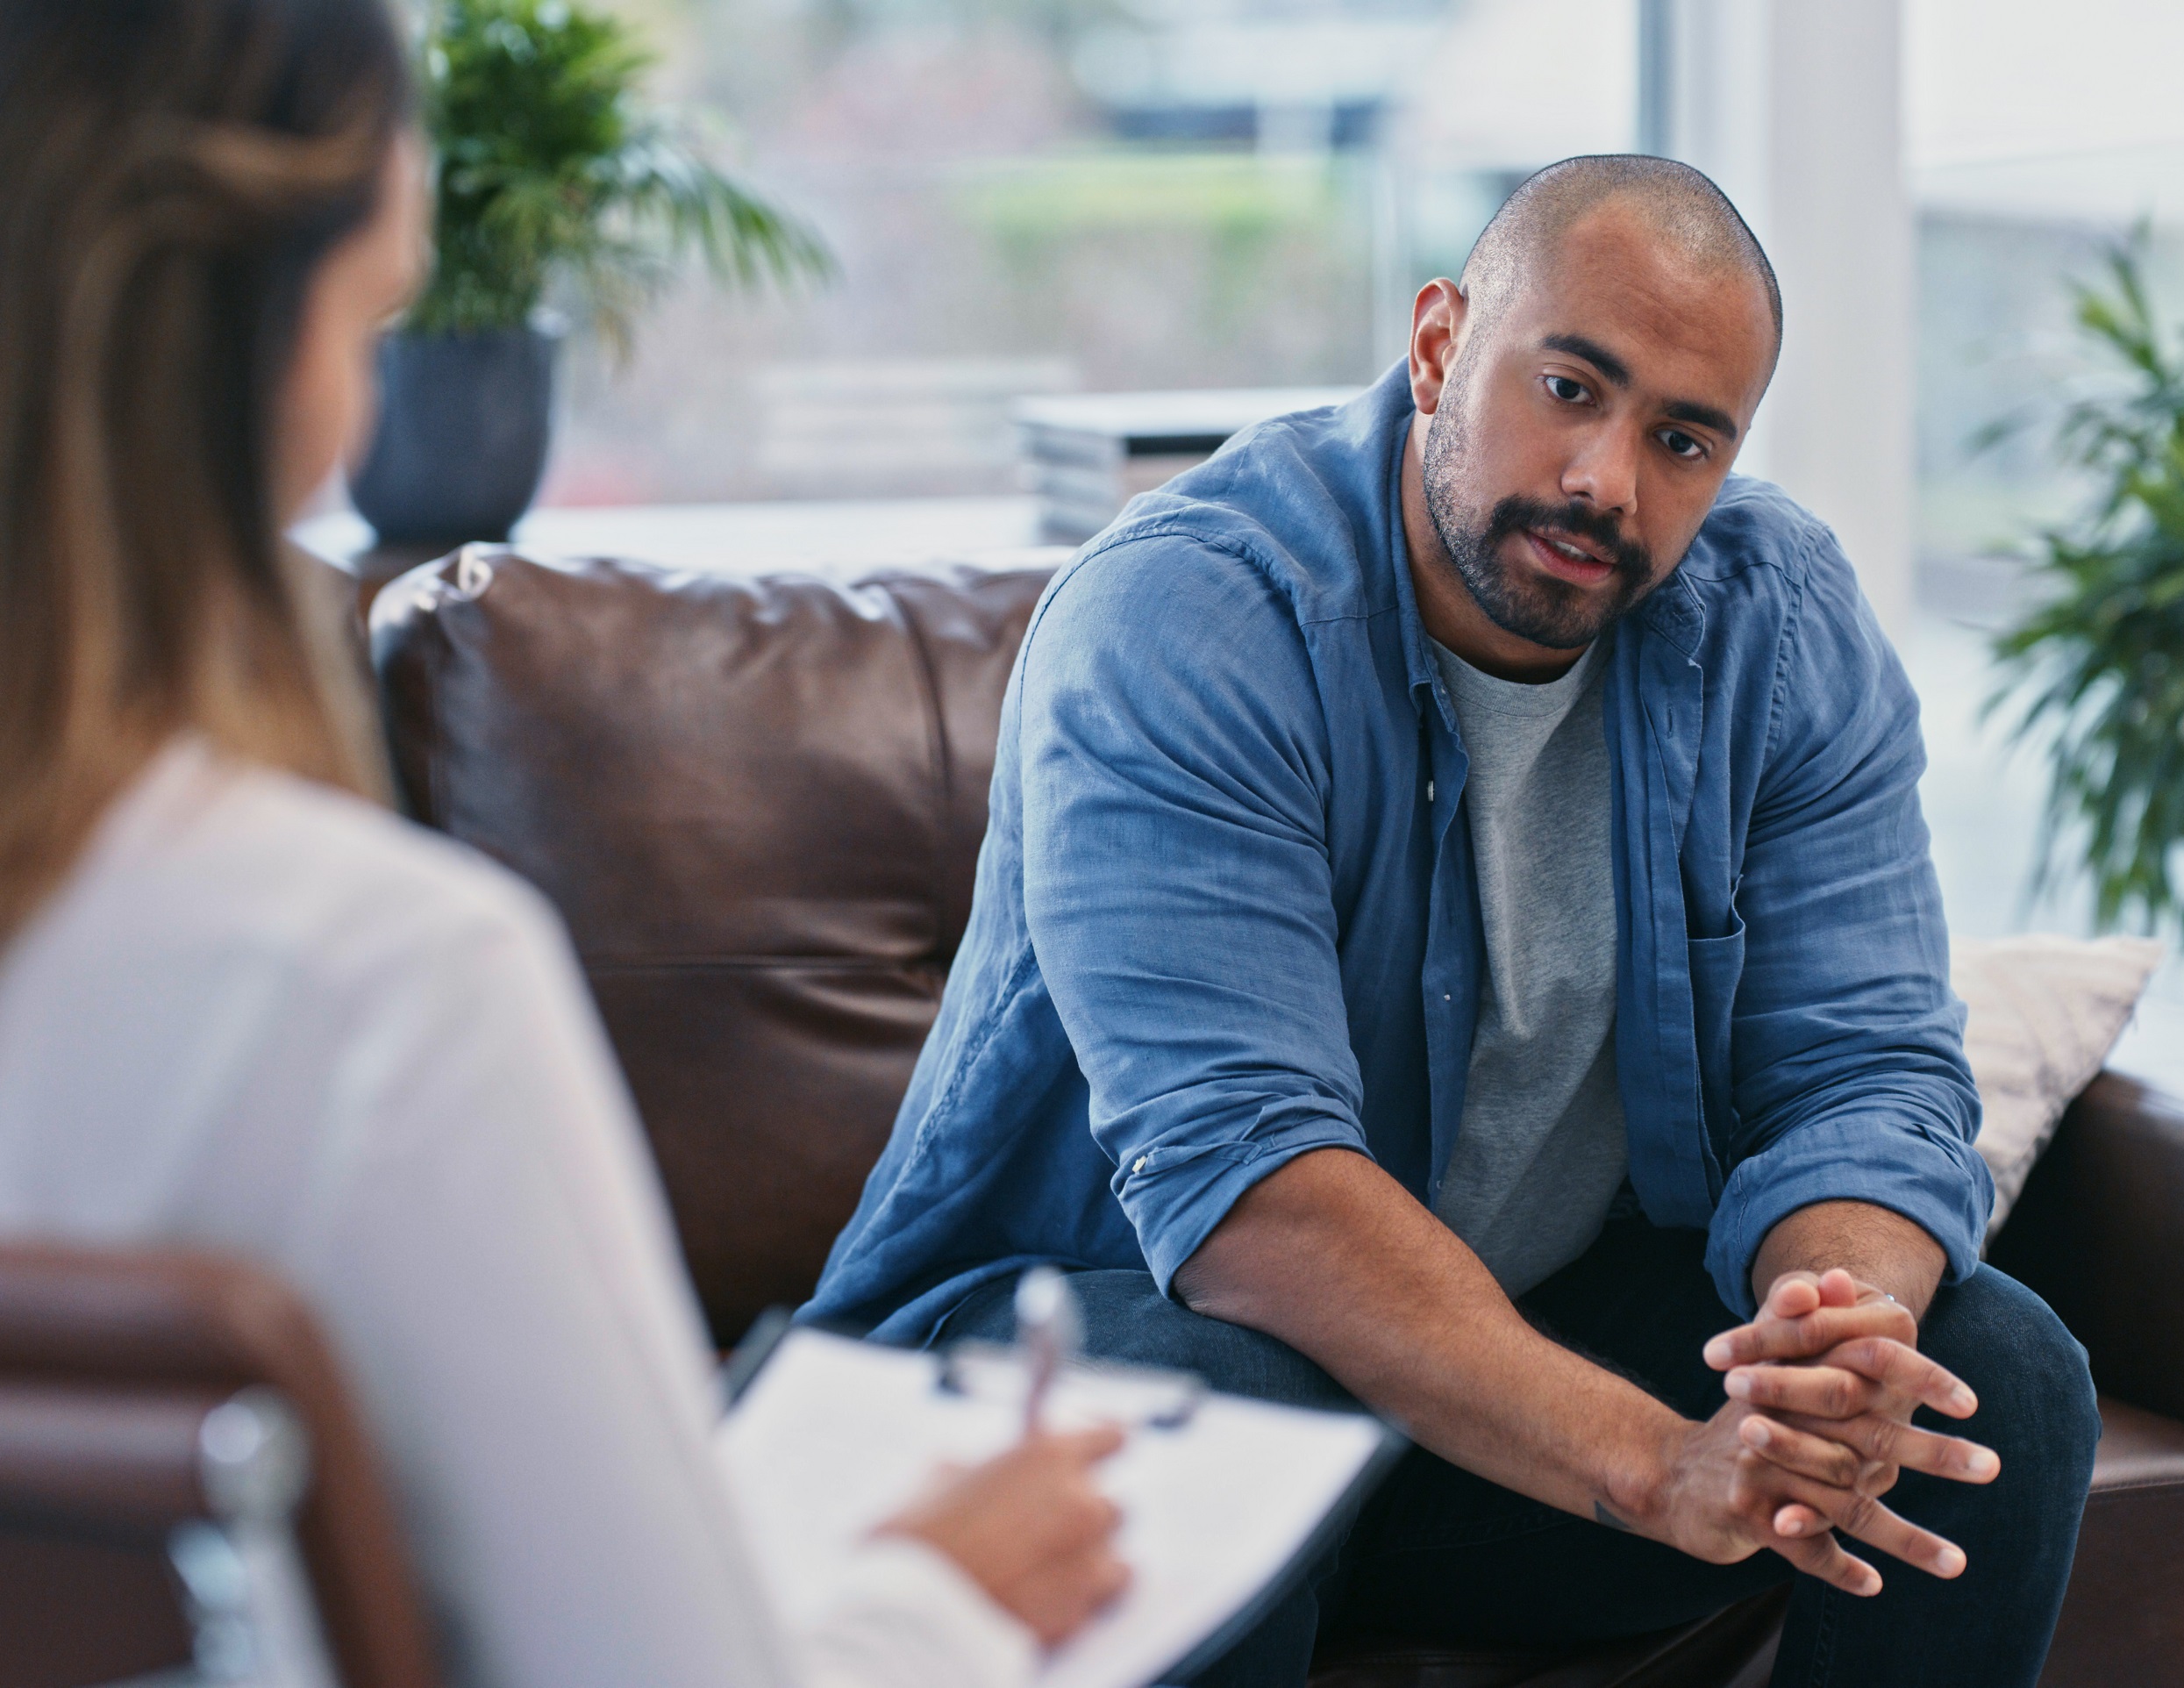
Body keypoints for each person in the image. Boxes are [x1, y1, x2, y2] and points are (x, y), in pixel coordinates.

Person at [0, 3, 1128, 1685]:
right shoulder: (371, 989)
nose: (355, 415)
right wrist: (931, 1599)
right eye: (369, 325)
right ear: (220, 361)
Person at [805, 154, 2100, 1686]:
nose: (1607, 482)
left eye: (1683, 440)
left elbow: (1866, 1073)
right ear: (1437, 345)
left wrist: (1835, 1346)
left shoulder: (1779, 625)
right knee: (1207, 1395)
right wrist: (1654, 1462)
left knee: (1988, 1377)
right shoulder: (1188, 618)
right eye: (1569, 387)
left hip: (1492, 1402)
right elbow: (1256, 1199)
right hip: (1083, 1376)